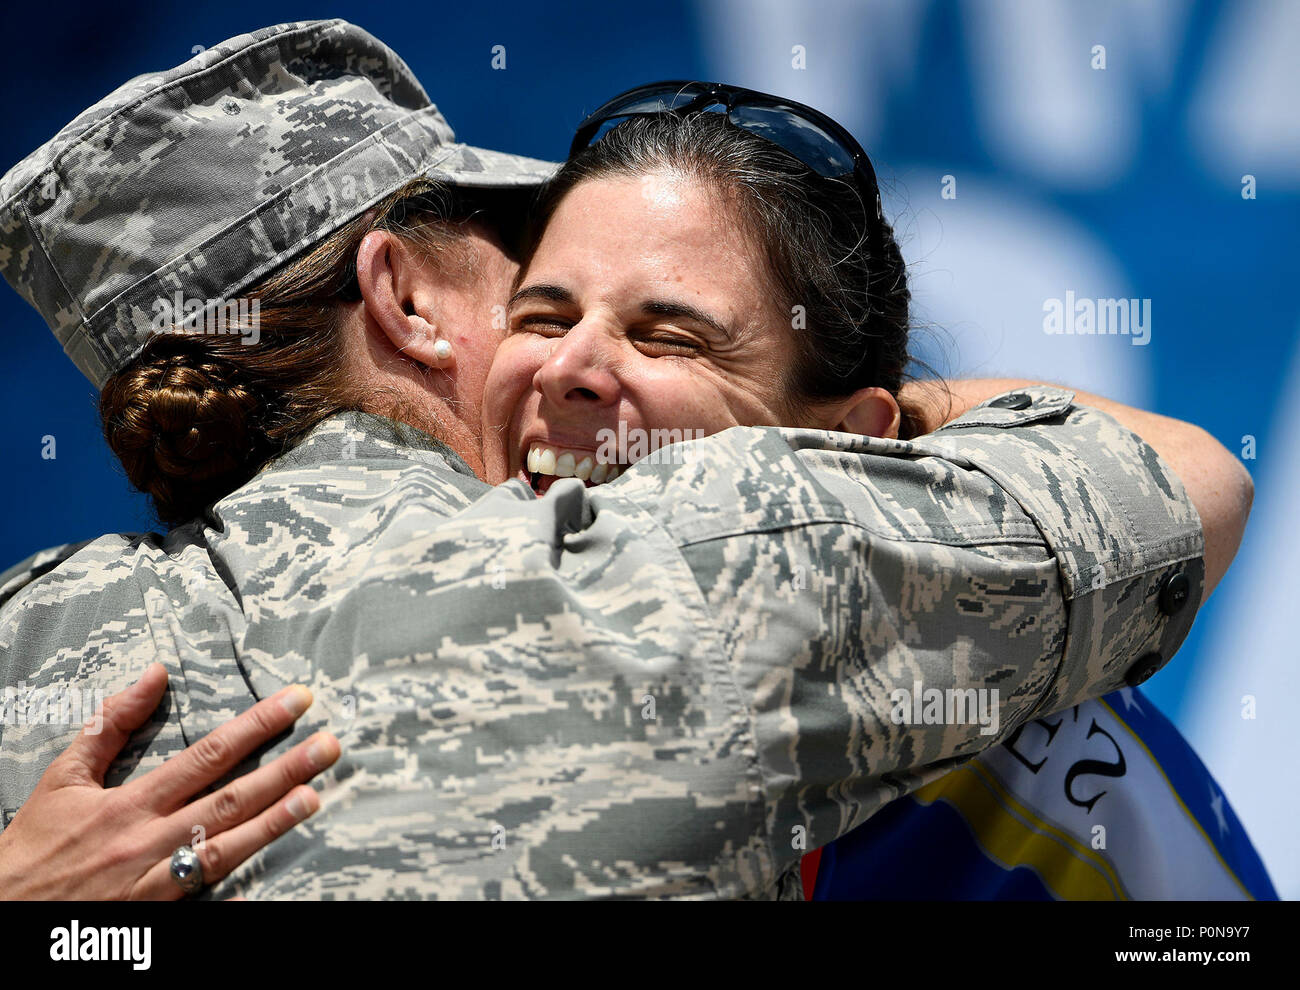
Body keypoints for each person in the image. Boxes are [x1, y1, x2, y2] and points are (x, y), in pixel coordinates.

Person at [0, 23, 1244, 899]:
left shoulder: (29, 639)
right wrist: (848, 435)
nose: (576, 365)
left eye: (662, 332)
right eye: (533, 287)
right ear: (405, 301)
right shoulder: (707, 556)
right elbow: (1177, 482)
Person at [478, 93, 1272, 900]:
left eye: (670, 339)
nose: (564, 366)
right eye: (542, 318)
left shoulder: (978, 681)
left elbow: (1203, 478)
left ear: (849, 448)